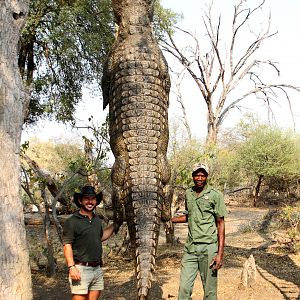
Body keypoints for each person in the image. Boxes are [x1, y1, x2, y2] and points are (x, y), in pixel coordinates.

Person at [172, 164, 228, 300]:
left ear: (207, 177)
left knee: (209, 291)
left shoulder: (216, 195)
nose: (199, 178)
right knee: (184, 289)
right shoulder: (188, 193)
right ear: (193, 176)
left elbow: (220, 223)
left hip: (209, 248)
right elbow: (189, 216)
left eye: (203, 175)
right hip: (191, 248)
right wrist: (170, 220)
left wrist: (220, 254)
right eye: (197, 175)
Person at [63, 185, 120, 300]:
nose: (90, 201)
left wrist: (115, 225)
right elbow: (67, 245)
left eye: (92, 199)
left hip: (97, 269)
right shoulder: (72, 221)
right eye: (86, 198)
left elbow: (100, 237)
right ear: (80, 201)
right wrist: (71, 267)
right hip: (81, 269)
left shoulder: (96, 220)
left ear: (96, 201)